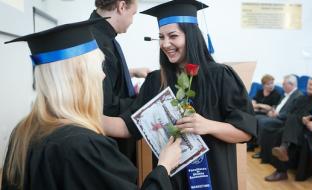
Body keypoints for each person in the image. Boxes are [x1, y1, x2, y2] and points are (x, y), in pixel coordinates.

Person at [1, 19, 181, 190]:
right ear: (80, 76)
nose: (103, 75)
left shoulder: (23, 132)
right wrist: (164, 167)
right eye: (99, 67)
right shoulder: (83, 146)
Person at [110, 1, 256, 189]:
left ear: (192, 36)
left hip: (215, 179)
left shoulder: (219, 76)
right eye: (161, 37)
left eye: (173, 36)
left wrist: (207, 125)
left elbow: (245, 132)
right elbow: (130, 126)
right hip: (171, 181)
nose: (165, 44)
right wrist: (82, 117)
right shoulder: (156, 80)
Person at [90, 0, 150, 162]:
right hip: (108, 146)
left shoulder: (99, 34)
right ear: (121, 6)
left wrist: (130, 73)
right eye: (133, 14)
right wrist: (145, 101)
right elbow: (106, 106)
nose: (132, 21)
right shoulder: (99, 44)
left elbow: (108, 76)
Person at [259, 77, 312, 181]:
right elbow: (290, 112)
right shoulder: (301, 98)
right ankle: (277, 162)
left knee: (283, 132)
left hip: (307, 130)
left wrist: (309, 120)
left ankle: (282, 164)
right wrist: (300, 118)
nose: (311, 87)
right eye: (310, 85)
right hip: (294, 127)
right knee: (276, 130)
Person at [251, 74, 302, 159]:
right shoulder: (286, 94)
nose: (282, 86)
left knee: (262, 121)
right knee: (256, 118)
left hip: (283, 120)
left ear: (291, 85)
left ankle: (263, 151)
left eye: (284, 84)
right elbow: (277, 106)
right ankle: (254, 144)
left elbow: (292, 113)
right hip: (275, 115)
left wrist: (277, 114)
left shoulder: (297, 96)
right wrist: (272, 111)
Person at [247, 74, 281, 151]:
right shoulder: (259, 92)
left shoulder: (276, 94)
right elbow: (252, 104)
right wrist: (262, 106)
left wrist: (258, 105)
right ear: (263, 85)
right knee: (248, 116)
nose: (271, 85)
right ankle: (250, 142)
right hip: (258, 112)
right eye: (268, 84)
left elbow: (271, 108)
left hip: (267, 114)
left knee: (254, 118)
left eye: (272, 83)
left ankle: (252, 144)